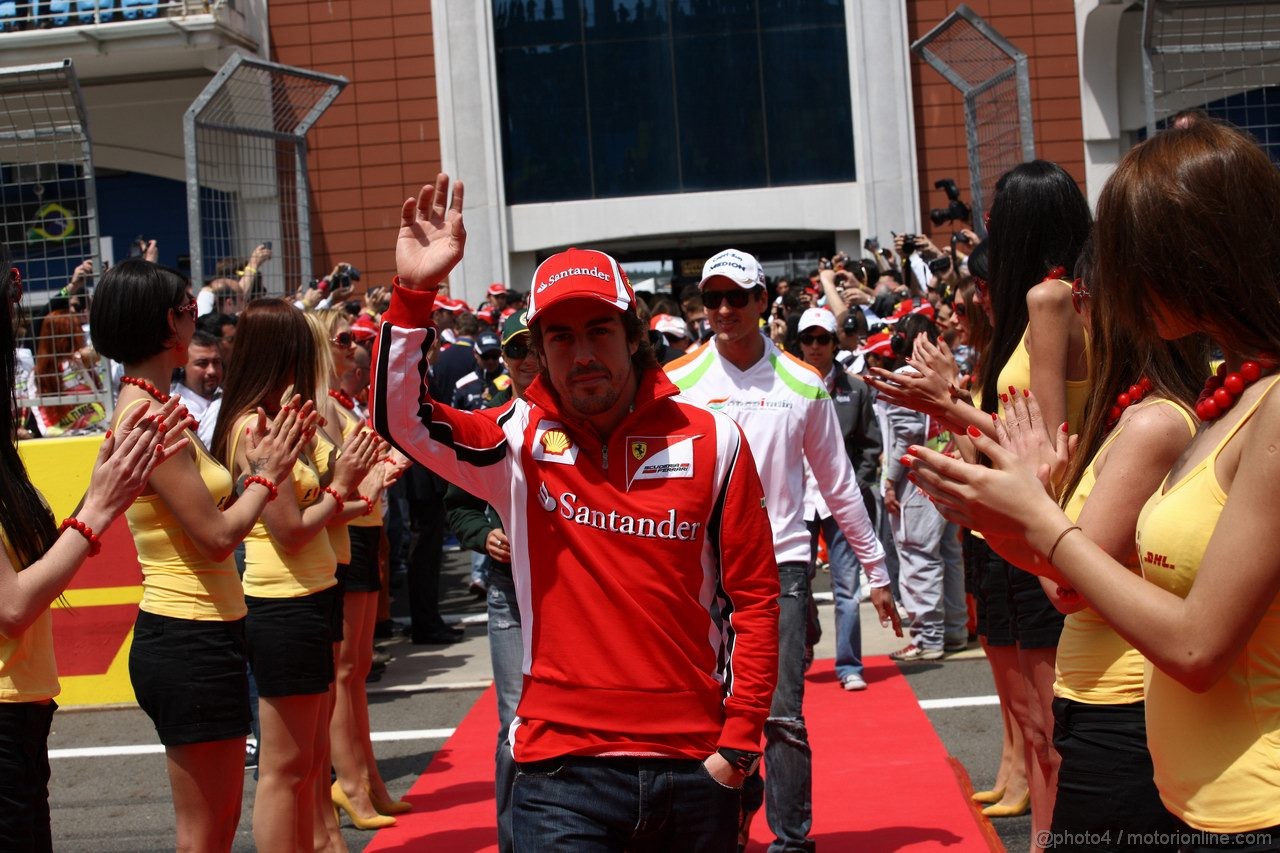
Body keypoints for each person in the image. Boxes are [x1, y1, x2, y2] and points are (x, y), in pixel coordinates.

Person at [372, 175, 780, 852]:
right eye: (560, 338)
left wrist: (737, 748)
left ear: (632, 335)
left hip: (694, 768)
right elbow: (402, 420)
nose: (583, 354)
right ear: (538, 350)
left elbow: (759, 604)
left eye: (598, 331)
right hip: (560, 777)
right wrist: (414, 294)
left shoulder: (716, 441)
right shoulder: (518, 440)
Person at [907, 119, 1280, 851]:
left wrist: (1039, 522)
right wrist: (1007, 510)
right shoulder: (1229, 395)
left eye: (1132, 258)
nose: (1113, 287)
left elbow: (1199, 644)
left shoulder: (1257, 408)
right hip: (1201, 800)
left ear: (1199, 256)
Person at [867, 162, 1092, 839]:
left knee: (1051, 734)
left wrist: (952, 406)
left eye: (997, 212)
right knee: (1040, 728)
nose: (985, 224)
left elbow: (1048, 448)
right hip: (1034, 524)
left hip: (1052, 524)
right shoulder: (1051, 301)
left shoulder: (1051, 300)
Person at [666, 248, 901, 853]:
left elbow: (841, 485)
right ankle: (725, 824)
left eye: (737, 297)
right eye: (713, 297)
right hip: (700, 570)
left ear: (762, 302)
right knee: (707, 712)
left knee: (781, 716)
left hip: (781, 567)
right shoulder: (678, 381)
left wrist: (875, 570)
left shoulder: (803, 382)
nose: (724, 309)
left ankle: (791, 842)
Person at [89, 259, 313, 852]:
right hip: (189, 632)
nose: (199, 317)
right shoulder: (148, 419)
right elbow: (216, 537)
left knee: (216, 825)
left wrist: (258, 481)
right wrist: (266, 479)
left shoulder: (151, 409)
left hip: (203, 630)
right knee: (205, 834)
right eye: (189, 308)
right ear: (165, 323)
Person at [0, 253, 186, 850]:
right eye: (12, 308)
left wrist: (100, 493)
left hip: (25, 707)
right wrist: (97, 510)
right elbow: (11, 605)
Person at [210, 299, 378, 852]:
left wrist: (349, 488)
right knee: (286, 768)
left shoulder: (276, 418)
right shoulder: (251, 427)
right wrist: (344, 482)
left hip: (312, 593)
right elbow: (290, 529)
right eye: (306, 346)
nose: (318, 357)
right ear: (283, 352)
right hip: (282, 602)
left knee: (307, 763)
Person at [443, 308, 540, 853]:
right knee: (514, 726)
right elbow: (458, 506)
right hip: (509, 592)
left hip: (575, 593)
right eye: (517, 350)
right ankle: (513, 843)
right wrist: (484, 537)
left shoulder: (584, 417)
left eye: (534, 347)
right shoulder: (488, 424)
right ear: (503, 360)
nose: (528, 359)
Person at [310, 309, 410, 830]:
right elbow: (332, 482)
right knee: (346, 671)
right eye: (344, 338)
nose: (355, 346)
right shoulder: (319, 404)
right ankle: (351, 784)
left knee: (358, 669)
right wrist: (376, 471)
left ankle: (366, 780)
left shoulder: (340, 402)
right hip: (346, 532)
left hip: (365, 531)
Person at [794, 308, 881, 691]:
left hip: (841, 501)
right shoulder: (785, 385)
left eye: (822, 339)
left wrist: (856, 486)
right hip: (796, 501)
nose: (815, 347)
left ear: (834, 342)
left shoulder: (856, 388)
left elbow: (870, 445)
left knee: (847, 585)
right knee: (797, 584)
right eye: (808, 339)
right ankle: (801, 646)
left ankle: (849, 665)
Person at [879, 314, 967, 662]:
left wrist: (888, 482)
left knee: (918, 555)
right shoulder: (947, 374)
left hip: (917, 477)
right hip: (951, 473)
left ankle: (929, 637)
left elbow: (903, 437)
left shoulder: (905, 376)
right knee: (947, 554)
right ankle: (955, 629)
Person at [169, 329, 223, 449]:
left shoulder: (228, 399)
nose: (212, 371)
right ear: (183, 365)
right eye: (202, 363)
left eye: (216, 362)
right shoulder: (174, 410)